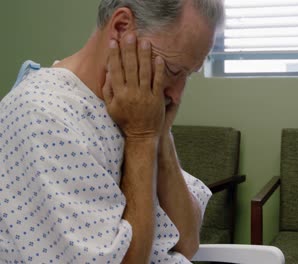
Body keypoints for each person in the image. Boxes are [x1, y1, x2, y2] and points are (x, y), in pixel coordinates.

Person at [0, 0, 224, 263]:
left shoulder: (137, 107)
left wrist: (159, 134)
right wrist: (141, 138)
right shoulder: (45, 115)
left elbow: (187, 242)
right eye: (173, 70)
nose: (177, 95)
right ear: (121, 27)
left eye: (189, 75)